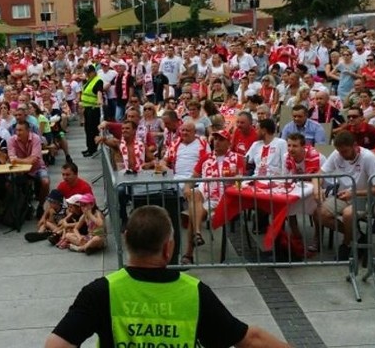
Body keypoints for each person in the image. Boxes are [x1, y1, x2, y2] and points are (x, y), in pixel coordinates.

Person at [45, 205, 289, 348]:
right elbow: (249, 338)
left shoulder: (100, 291)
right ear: (168, 248)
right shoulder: (195, 292)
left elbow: (55, 345)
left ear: (127, 240)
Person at [314, 131, 375, 260]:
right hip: (344, 195)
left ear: (354, 146)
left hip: (366, 198)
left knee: (348, 214)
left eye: (345, 151)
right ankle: (358, 236)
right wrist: (317, 188)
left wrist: (354, 193)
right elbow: (319, 174)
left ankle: (346, 244)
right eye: (340, 152)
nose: (342, 155)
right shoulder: (337, 154)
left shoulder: (368, 157)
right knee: (319, 213)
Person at [181, 130, 245, 265]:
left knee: (193, 214)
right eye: (215, 139)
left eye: (221, 139)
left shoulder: (237, 158)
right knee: (194, 193)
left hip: (223, 198)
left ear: (228, 142)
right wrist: (187, 186)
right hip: (204, 194)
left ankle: (189, 254)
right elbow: (193, 177)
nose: (217, 142)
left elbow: (240, 182)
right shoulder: (206, 158)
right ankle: (197, 234)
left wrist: (238, 181)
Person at [80, 64, 104, 157]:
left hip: (94, 109)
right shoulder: (88, 81)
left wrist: (99, 100)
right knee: (87, 129)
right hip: (87, 108)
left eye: (88, 72)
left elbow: (99, 92)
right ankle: (89, 147)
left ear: (93, 72)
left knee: (92, 130)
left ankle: (93, 149)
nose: (87, 74)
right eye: (86, 72)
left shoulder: (98, 81)